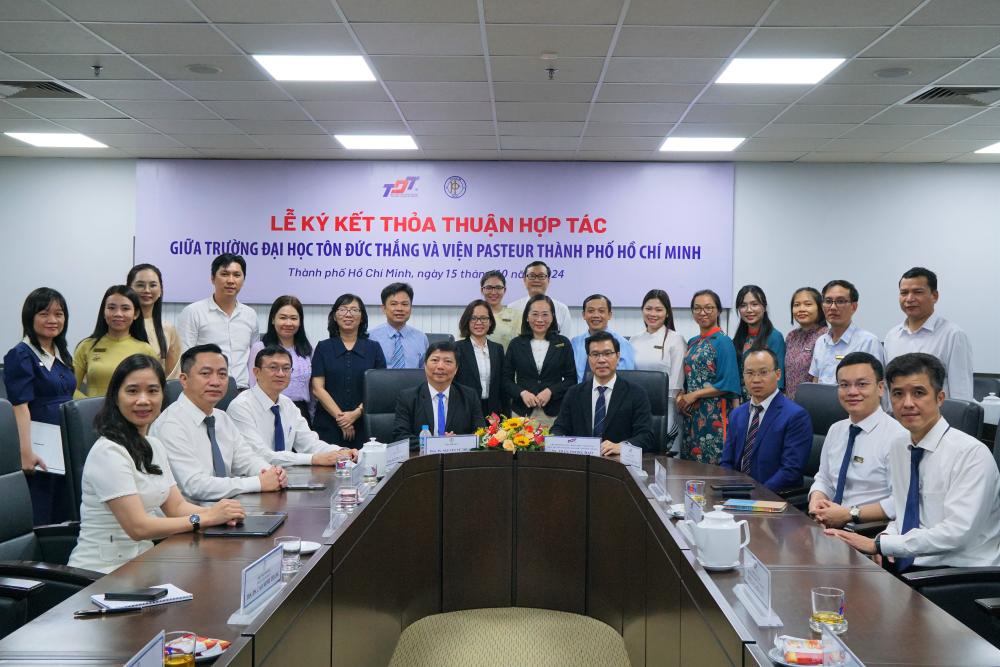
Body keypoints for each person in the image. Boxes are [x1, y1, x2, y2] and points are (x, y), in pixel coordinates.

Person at [68, 354, 245, 574]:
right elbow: (138, 527)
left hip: (143, 564)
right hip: (102, 573)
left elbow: (176, 507)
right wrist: (205, 517)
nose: (144, 400)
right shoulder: (108, 452)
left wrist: (221, 516)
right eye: (132, 391)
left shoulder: (153, 445)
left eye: (152, 391)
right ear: (115, 396)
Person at [825, 353, 1000, 570]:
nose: (907, 403)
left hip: (958, 574)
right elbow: (903, 513)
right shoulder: (900, 446)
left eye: (919, 393)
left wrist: (882, 544)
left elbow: (957, 533)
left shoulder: (971, 455)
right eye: (898, 394)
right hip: (909, 562)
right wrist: (886, 537)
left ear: (940, 398)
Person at [151, 344, 288, 501]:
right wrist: (258, 482)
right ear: (184, 380)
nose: (216, 382)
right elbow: (195, 486)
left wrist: (272, 472)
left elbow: (246, 459)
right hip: (190, 519)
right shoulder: (171, 424)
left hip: (227, 513)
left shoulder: (221, 418)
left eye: (222, 374)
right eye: (206, 374)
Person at [3, 288, 76, 524]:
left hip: (65, 442)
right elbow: (20, 406)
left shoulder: (61, 352)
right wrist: (26, 452)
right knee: (42, 511)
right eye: (44, 314)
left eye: (59, 314)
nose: (53, 320)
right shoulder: (21, 354)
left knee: (66, 510)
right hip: (39, 446)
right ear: (30, 317)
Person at [808, 352, 905, 529]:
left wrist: (848, 514)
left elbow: (900, 502)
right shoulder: (836, 430)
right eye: (844, 385)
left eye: (862, 384)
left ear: (881, 388)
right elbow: (824, 479)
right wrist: (817, 499)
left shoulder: (897, 437)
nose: (852, 392)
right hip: (827, 527)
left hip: (868, 531)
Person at [228, 346, 356, 466]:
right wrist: (313, 459)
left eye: (286, 368)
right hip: (252, 480)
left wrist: (343, 452)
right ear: (256, 372)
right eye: (273, 367)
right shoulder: (241, 407)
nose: (281, 374)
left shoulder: (287, 404)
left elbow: (310, 444)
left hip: (285, 477)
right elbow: (260, 455)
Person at [720, 349, 812, 492]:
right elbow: (727, 462)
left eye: (763, 372)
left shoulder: (796, 416)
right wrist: (729, 489)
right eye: (749, 373)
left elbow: (791, 471)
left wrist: (755, 494)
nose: (756, 380)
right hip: (736, 494)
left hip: (773, 498)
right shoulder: (737, 414)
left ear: (778, 374)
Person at [551, 332, 653, 455]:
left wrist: (621, 447)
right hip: (581, 464)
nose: (601, 360)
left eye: (607, 354)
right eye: (595, 354)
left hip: (618, 465)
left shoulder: (636, 393)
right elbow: (559, 428)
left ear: (618, 356)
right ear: (588, 359)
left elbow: (646, 436)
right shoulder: (574, 393)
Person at [883, 267, 973, 401]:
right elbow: (887, 387)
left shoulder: (953, 335)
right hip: (898, 418)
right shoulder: (892, 336)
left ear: (934, 296)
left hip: (936, 419)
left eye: (917, 292)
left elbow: (961, 393)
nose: (909, 299)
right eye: (904, 293)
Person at [311, 294, 386, 445]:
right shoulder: (323, 347)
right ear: (334, 316)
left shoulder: (374, 348)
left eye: (354, 310)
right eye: (343, 309)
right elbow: (317, 388)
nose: (348, 314)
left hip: (365, 425)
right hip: (328, 424)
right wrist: (342, 419)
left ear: (362, 317)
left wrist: (355, 414)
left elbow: (379, 388)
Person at [176, 253, 258, 389]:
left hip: (242, 392)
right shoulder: (193, 312)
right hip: (207, 390)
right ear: (212, 279)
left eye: (237, 275)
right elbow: (184, 359)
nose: (231, 280)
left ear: (243, 280)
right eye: (224, 274)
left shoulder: (250, 315)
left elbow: (254, 359)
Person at [677, 289, 740, 465]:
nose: (702, 312)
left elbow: (728, 384)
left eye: (708, 308)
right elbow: (688, 377)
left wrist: (694, 395)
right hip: (692, 415)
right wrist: (683, 396)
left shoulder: (723, 342)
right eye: (697, 308)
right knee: (689, 466)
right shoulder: (692, 341)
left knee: (712, 468)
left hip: (714, 415)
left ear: (718, 310)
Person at [393, 340, 484, 450]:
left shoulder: (469, 396)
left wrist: (454, 443)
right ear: (425, 365)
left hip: (458, 461)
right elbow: (400, 438)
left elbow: (481, 434)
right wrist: (439, 444)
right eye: (435, 360)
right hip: (421, 461)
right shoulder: (408, 397)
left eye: (448, 361)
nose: (440, 366)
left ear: (456, 369)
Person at [502, 294, 577, 428]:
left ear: (553, 316)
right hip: (521, 412)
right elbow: (505, 380)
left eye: (545, 314)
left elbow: (571, 380)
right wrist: (522, 393)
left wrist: (551, 391)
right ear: (527, 316)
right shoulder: (516, 344)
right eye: (535, 314)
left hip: (554, 413)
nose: (540, 319)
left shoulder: (563, 343)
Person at [73, 285, 157, 398]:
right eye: (112, 308)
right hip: (95, 413)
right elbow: (70, 388)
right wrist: (90, 405)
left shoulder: (146, 350)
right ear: (103, 312)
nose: (118, 314)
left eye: (125, 308)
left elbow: (155, 391)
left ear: (136, 314)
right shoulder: (86, 346)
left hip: (134, 412)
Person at [630, 289, 686, 450]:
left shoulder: (676, 340)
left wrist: (668, 420)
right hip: (636, 410)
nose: (653, 314)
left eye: (659, 309)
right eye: (648, 309)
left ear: (667, 313)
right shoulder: (634, 340)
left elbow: (676, 385)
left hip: (665, 410)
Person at [248, 295, 314, 423]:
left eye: (294, 318)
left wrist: (312, 416)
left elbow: (311, 389)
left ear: (300, 322)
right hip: (269, 410)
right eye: (283, 318)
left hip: (301, 412)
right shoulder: (260, 347)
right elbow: (253, 384)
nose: (288, 323)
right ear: (273, 319)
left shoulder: (307, 349)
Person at [809, 279, 883, 385]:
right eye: (828, 301)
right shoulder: (821, 342)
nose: (833, 307)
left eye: (840, 301)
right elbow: (816, 380)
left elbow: (877, 385)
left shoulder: (868, 342)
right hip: (821, 401)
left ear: (854, 307)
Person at [455, 299, 507, 417]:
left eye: (484, 318)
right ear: (467, 321)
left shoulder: (497, 349)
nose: (479, 322)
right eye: (474, 318)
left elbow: (503, 386)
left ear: (490, 322)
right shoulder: (457, 348)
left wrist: (505, 414)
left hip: (494, 413)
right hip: (465, 411)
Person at [127, 263, 180, 378]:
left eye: (153, 285)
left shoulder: (168, 328)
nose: (147, 290)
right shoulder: (120, 324)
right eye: (140, 285)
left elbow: (173, 376)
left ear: (161, 290)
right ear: (129, 288)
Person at [732, 285, 785, 398]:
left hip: (764, 402)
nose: (749, 310)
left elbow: (778, 380)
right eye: (743, 305)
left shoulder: (774, 337)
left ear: (764, 307)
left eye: (754, 304)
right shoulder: (738, 339)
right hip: (741, 404)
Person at [570, 294, 635, 382]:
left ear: (609, 315)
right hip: (578, 393)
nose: (596, 315)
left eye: (601, 311)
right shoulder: (574, 343)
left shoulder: (623, 343)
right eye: (591, 311)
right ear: (584, 315)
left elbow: (627, 377)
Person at [368, 282, 429, 369]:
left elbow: (425, 372)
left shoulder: (421, 338)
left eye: (404, 304)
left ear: (411, 308)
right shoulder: (371, 337)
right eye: (394, 304)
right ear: (383, 308)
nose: (399, 309)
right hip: (381, 382)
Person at [506, 261, 573, 335]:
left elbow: (565, 342)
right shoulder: (511, 308)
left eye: (541, 276)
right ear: (524, 280)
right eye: (532, 276)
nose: (536, 280)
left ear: (548, 280)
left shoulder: (562, 309)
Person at [784, 287, 827, 400]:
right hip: (790, 405)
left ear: (820, 308)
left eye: (808, 304)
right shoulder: (791, 336)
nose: (801, 309)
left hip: (813, 404)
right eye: (797, 305)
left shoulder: (825, 336)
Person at [479, 270, 520, 350]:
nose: (494, 292)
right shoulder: (471, 315)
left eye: (498, 288)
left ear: (504, 290)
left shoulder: (516, 316)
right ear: (482, 290)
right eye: (489, 288)